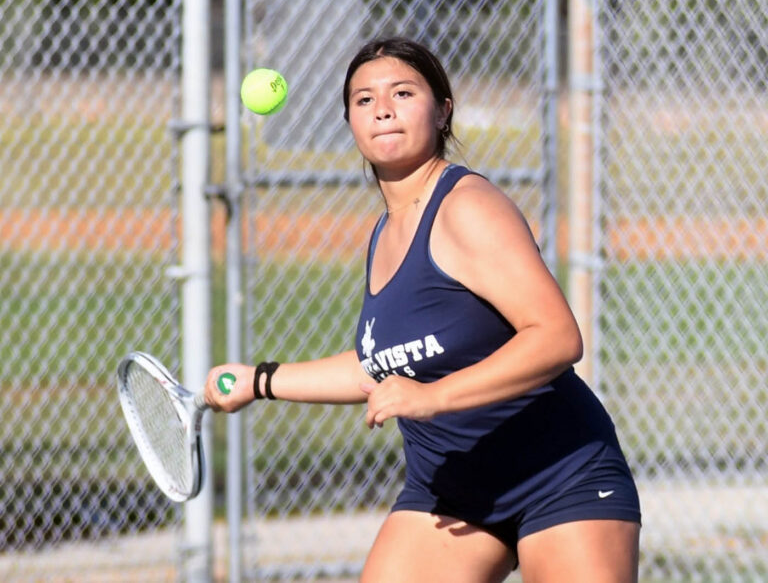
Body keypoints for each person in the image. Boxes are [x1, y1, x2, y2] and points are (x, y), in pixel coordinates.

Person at [205, 37, 641, 582]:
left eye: (402, 92)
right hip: (451, 490)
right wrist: (259, 379)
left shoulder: (467, 206)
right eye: (363, 100)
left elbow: (556, 336)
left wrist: (435, 396)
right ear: (350, 122)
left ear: (442, 111)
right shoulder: (387, 232)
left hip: (559, 477)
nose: (382, 108)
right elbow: (385, 364)